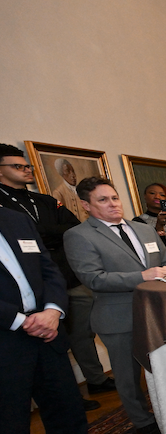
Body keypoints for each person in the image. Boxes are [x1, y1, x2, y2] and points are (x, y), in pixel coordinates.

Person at [0, 208, 125, 434]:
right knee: (10, 419)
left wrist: (54, 310)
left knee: (65, 401)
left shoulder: (15, 218)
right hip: (6, 336)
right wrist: (20, 320)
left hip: (47, 326)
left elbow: (48, 268)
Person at [64, 177, 166, 434]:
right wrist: (143, 276)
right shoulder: (79, 236)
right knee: (128, 375)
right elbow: (94, 278)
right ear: (86, 205)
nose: (113, 204)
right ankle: (143, 420)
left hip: (159, 312)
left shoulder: (143, 229)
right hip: (117, 316)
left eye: (115, 198)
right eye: (103, 200)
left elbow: (165, 258)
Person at [0, 143, 112, 401]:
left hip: (64, 277)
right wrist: (49, 235)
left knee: (81, 333)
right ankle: (68, 395)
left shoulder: (45, 200)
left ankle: (93, 381)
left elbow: (73, 228)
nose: (27, 170)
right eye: (18, 166)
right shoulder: (4, 208)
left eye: (27, 165)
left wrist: (43, 235)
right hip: (28, 292)